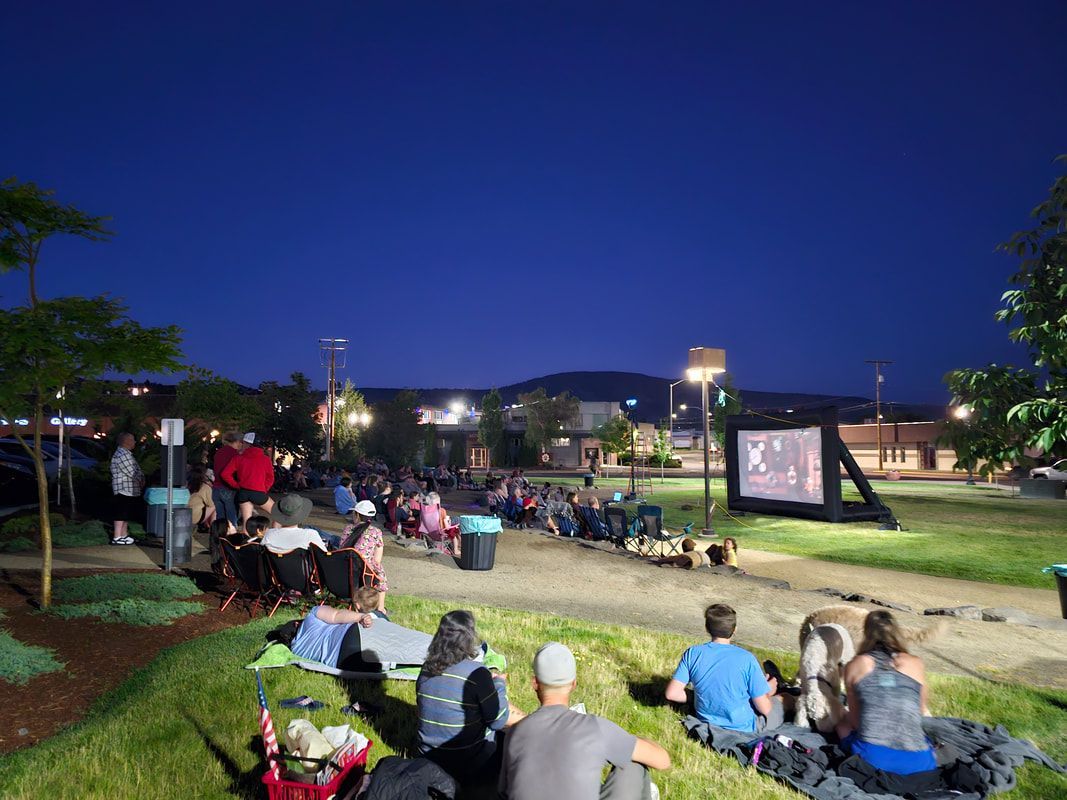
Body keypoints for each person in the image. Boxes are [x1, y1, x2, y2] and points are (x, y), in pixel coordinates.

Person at [500, 642, 670, 800]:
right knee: (633, 764)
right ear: (573, 684)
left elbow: (504, 791)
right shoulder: (596, 729)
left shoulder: (514, 733)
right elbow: (663, 761)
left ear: (535, 683)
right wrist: (634, 740)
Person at [416, 611, 523, 784]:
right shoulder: (477, 673)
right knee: (511, 731)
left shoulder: (426, 668)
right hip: (466, 764)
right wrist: (499, 686)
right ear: (468, 637)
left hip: (427, 757)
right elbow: (497, 720)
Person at [835, 610, 937, 775]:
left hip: (873, 760)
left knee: (842, 725)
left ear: (866, 633)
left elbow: (854, 721)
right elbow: (919, 711)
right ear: (897, 632)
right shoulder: (916, 663)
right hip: (921, 762)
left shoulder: (855, 665)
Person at [665, 604, 786, 733]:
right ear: (734, 630)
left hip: (706, 722)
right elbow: (765, 709)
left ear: (707, 628)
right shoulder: (746, 659)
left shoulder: (693, 653)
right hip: (744, 727)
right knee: (786, 698)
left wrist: (698, 696)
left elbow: (672, 694)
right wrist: (768, 690)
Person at [340, 500, 389, 612]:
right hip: (364, 572)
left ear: (356, 514)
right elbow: (377, 559)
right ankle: (381, 608)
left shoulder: (348, 529)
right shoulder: (376, 532)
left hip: (345, 568)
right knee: (380, 572)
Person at [220, 432, 275, 522]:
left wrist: (236, 485)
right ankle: (275, 534)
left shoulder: (238, 458)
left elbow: (225, 474)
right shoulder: (265, 459)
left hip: (243, 492)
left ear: (248, 444)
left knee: (246, 521)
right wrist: (264, 488)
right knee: (278, 514)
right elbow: (270, 477)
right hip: (258, 492)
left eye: (243, 442)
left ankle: (246, 535)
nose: (242, 444)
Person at [260, 494, 329, 553]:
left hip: (274, 567)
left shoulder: (268, 534)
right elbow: (324, 555)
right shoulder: (310, 534)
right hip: (302, 567)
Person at [109, 432, 144, 545]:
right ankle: (117, 536)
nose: (135, 442)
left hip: (128, 488)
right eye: (133, 439)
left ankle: (123, 535)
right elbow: (132, 471)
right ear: (126, 441)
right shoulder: (122, 454)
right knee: (121, 512)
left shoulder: (126, 454)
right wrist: (140, 479)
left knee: (125, 513)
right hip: (123, 487)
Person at [212, 432, 244, 525]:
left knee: (220, 517)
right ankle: (232, 537)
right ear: (237, 442)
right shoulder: (235, 454)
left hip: (216, 488)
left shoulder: (219, 452)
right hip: (228, 488)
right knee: (232, 516)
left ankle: (219, 536)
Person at [186, 465, 216, 531]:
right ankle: (213, 528)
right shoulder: (204, 487)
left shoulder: (186, 485)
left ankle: (205, 525)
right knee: (215, 505)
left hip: (185, 515)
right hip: (195, 518)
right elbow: (211, 504)